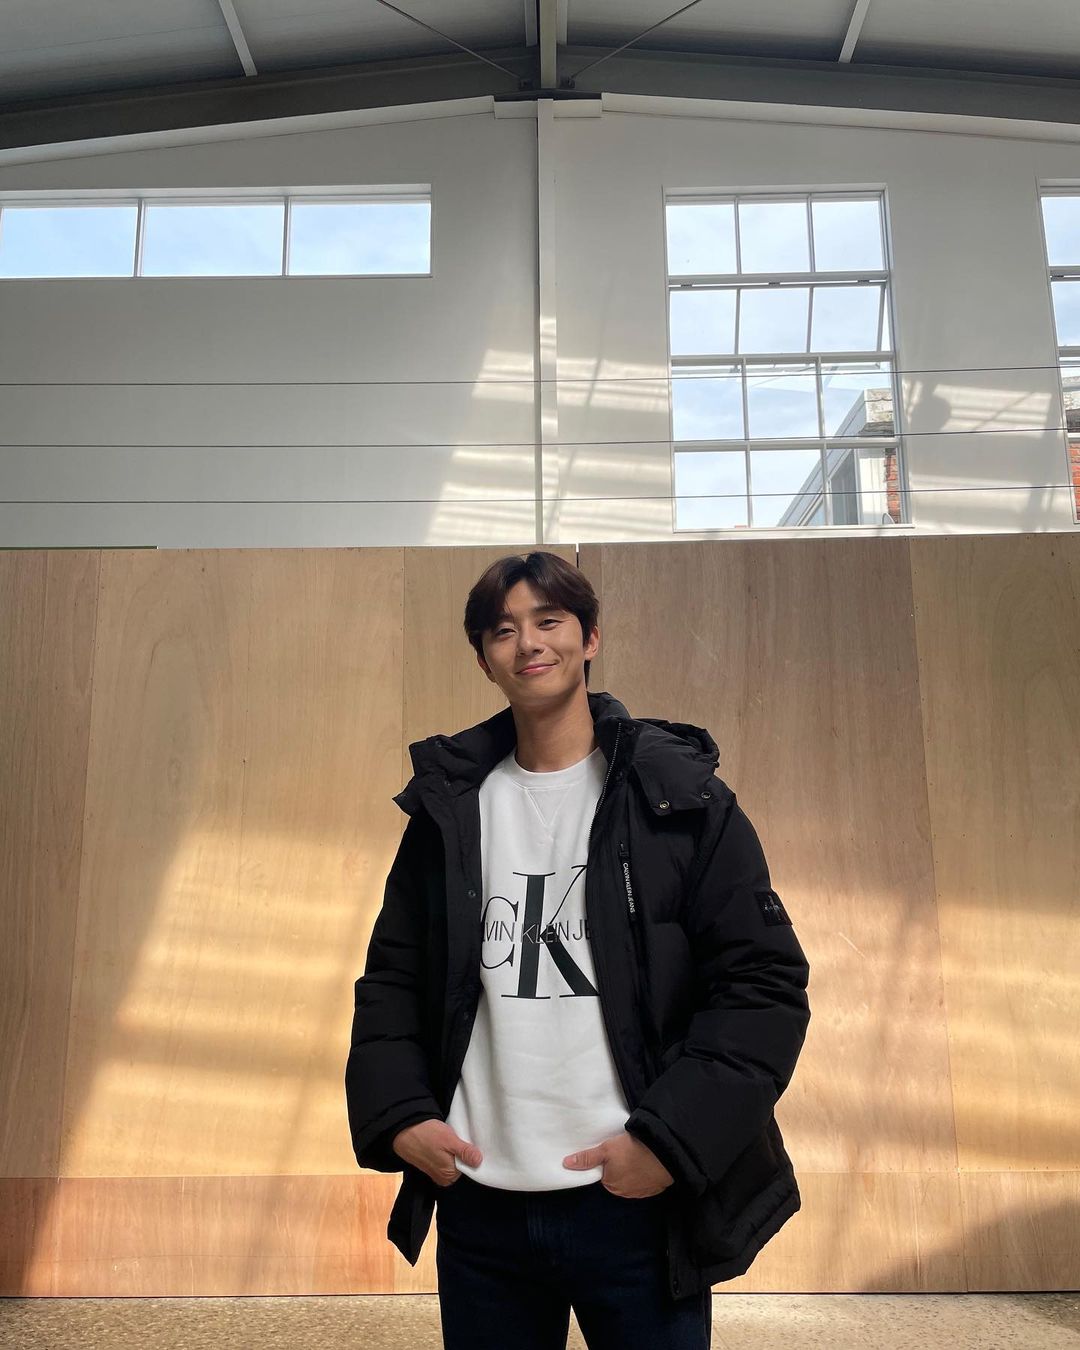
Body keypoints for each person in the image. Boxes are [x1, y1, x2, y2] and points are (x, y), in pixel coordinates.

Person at [346, 551, 811, 1350]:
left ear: (589, 637)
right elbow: (393, 980)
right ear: (484, 659)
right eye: (502, 630)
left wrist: (669, 1144)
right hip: (480, 1206)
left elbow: (761, 986)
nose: (528, 642)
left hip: (634, 1202)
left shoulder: (679, 798)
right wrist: (402, 1117)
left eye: (549, 620)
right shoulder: (448, 811)